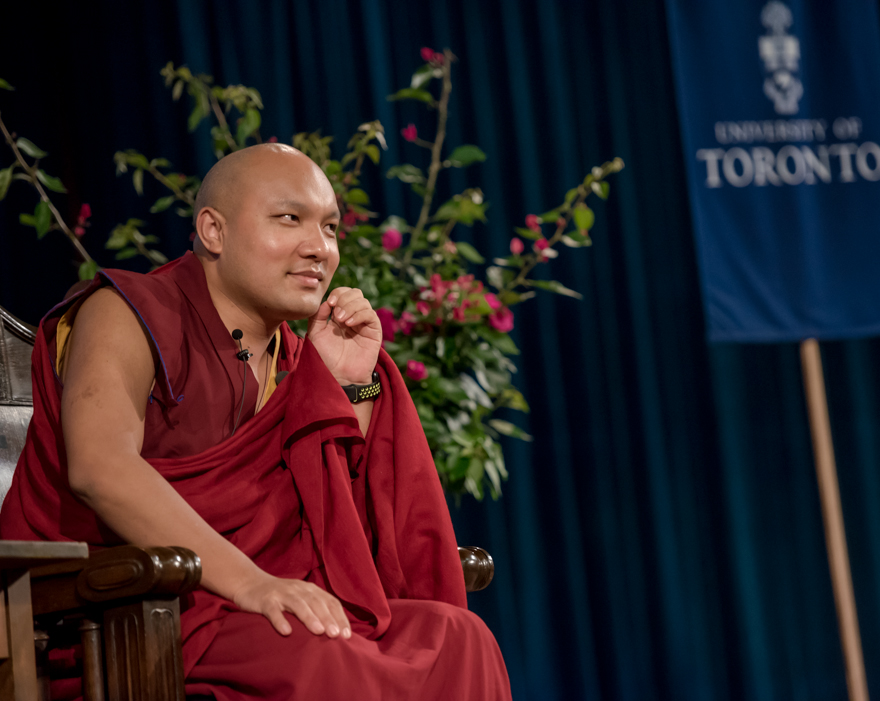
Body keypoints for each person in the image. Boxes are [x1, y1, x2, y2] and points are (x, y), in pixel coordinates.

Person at [0, 144, 512, 700]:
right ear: (213, 231)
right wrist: (252, 584)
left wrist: (344, 385)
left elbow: (336, 523)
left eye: (332, 228)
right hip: (130, 610)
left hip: (257, 605)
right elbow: (100, 469)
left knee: (459, 637)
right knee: (326, 659)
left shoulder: (293, 357)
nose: (319, 248)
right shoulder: (128, 311)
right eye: (290, 219)